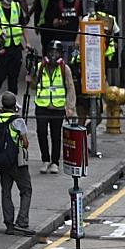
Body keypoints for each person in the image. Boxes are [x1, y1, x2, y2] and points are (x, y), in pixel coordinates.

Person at [0, 92, 32, 234]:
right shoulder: (18, 121)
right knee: (26, 190)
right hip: (17, 162)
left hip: (3, 162)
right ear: (15, 105)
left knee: (6, 191)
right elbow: (25, 143)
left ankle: (9, 224)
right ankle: (22, 221)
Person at [31, 43, 75, 174]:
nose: (53, 55)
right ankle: (45, 159)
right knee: (41, 132)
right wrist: (31, 75)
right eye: (51, 52)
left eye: (56, 53)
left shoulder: (64, 69)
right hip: (42, 106)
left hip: (58, 107)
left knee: (56, 135)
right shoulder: (40, 67)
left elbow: (70, 87)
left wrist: (70, 107)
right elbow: (33, 85)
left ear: (61, 54)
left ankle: (55, 162)